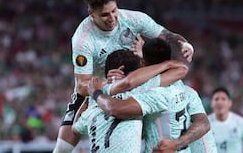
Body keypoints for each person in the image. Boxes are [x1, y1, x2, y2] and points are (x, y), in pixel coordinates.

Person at [53, 0, 194, 153]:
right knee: (62, 148)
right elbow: (83, 86)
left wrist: (185, 44)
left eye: (114, 11)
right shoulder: (83, 40)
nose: (112, 18)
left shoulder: (134, 19)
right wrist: (107, 83)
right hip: (99, 86)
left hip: (134, 82)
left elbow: (166, 35)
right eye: (105, 15)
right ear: (91, 13)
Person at [85, 38, 214, 152]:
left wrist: (106, 87)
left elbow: (116, 108)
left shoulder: (148, 93)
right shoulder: (186, 90)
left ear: (143, 64)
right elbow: (204, 124)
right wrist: (177, 144)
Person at [73, 48, 188, 152]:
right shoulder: (141, 90)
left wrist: (91, 95)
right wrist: (166, 64)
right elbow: (181, 69)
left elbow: (76, 126)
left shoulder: (95, 99)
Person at [208, 87, 243, 153]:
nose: (220, 102)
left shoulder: (242, 123)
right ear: (211, 103)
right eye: (216, 99)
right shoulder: (205, 124)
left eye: (223, 99)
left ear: (230, 103)